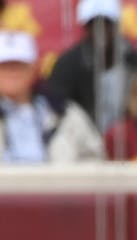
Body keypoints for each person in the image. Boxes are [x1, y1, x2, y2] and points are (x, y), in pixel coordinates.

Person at [45, 0, 137, 134]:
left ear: (116, 25)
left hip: (128, 140)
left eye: (107, 23)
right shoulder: (68, 63)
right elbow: (58, 107)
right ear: (84, 27)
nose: (101, 30)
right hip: (82, 139)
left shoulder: (134, 60)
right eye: (93, 24)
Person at [0, 30, 104, 162]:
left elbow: (94, 157)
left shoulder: (64, 112)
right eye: (4, 66)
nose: (12, 73)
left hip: (60, 182)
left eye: (19, 66)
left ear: (33, 68)